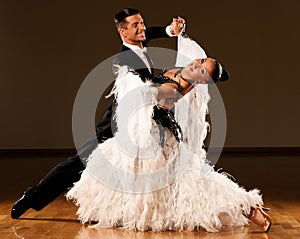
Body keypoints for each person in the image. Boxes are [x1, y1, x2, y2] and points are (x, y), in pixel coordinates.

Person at [66, 30, 272, 233]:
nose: (196, 64)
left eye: (202, 70)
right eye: (201, 61)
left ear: (201, 81)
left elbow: (147, 94)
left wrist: (126, 75)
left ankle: (249, 208)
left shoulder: (175, 89)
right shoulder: (183, 68)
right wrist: (174, 32)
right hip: (149, 133)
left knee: (193, 183)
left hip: (156, 138)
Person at [11, 8, 184, 219]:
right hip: (118, 122)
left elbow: (153, 32)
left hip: (140, 119)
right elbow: (135, 88)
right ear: (123, 32)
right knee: (80, 162)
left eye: (142, 22)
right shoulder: (123, 62)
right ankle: (33, 197)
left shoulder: (140, 42)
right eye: (135, 25)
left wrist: (171, 30)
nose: (142, 28)